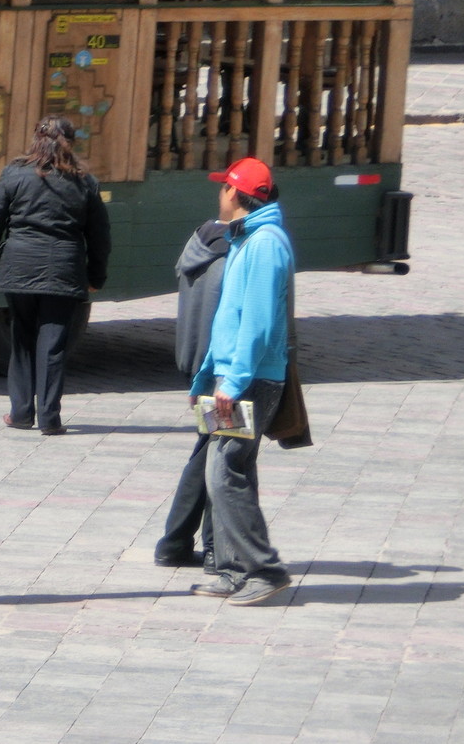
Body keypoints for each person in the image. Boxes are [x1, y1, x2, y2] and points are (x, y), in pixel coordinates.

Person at [186, 155, 295, 606]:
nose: (219, 195)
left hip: (247, 380)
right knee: (232, 470)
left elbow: (257, 322)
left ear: (235, 193)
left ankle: (263, 570)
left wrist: (232, 381)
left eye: (223, 188)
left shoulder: (265, 243)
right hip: (233, 375)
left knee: (223, 471)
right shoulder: (249, 237)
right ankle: (232, 570)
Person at [0, 115, 112, 436]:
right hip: (64, 269)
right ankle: (50, 417)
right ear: (71, 143)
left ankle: (21, 412)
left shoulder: (15, 174)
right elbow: (100, 236)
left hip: (19, 265)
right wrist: (96, 276)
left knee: (22, 338)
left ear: (36, 140)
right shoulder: (84, 182)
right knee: (53, 345)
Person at [153, 216, 231, 570]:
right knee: (222, 453)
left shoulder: (197, 247)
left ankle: (176, 542)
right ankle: (212, 549)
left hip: (194, 362)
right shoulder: (232, 256)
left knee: (210, 445)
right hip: (219, 371)